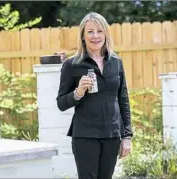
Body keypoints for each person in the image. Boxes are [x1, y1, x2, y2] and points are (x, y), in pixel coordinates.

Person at [56, 12, 133, 179]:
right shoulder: (72, 65)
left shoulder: (116, 62)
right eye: (90, 31)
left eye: (100, 31)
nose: (95, 36)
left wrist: (127, 136)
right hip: (85, 135)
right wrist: (78, 92)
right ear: (83, 36)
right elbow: (61, 103)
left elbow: (123, 100)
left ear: (106, 34)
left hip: (112, 135)